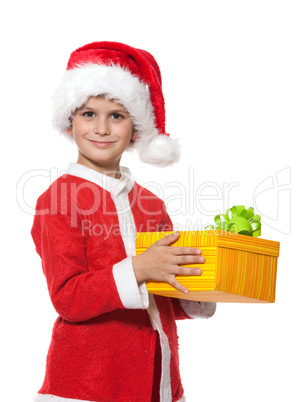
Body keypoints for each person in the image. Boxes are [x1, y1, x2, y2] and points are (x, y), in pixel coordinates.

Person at [31, 41, 216, 402]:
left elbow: (162, 298)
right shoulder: (57, 201)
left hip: (157, 378)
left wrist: (204, 284)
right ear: (70, 122)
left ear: (136, 129)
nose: (101, 128)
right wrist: (136, 270)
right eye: (88, 114)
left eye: (116, 115)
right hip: (90, 382)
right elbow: (68, 298)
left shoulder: (151, 204)